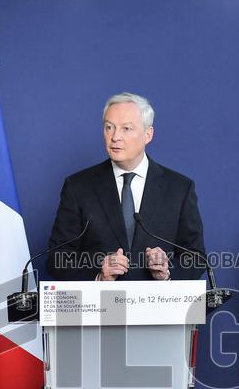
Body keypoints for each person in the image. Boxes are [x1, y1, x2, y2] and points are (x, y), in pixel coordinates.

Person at [47, 92, 205, 281]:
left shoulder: (179, 188)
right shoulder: (78, 187)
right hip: (101, 306)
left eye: (126, 129)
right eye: (109, 127)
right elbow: (57, 259)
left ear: (148, 134)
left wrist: (167, 273)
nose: (115, 137)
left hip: (157, 305)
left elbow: (196, 258)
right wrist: (98, 275)